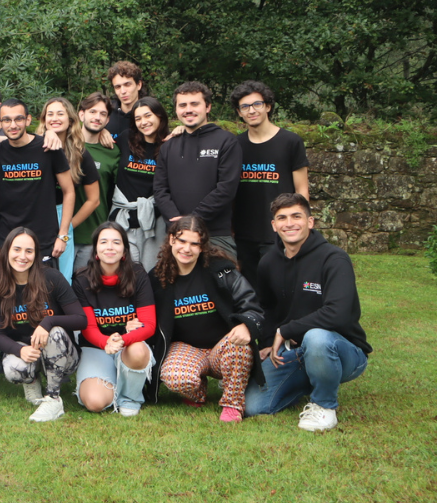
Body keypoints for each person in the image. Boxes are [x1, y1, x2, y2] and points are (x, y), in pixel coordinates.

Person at [245, 194, 371, 431]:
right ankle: (312, 379)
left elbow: (338, 313)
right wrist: (267, 340)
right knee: (254, 406)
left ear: (310, 222)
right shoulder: (268, 261)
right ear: (274, 225)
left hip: (342, 350)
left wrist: (287, 330)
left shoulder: (334, 259)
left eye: (296, 216)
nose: (289, 223)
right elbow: (267, 307)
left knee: (317, 337)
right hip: (294, 352)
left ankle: (324, 405)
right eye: (282, 218)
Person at [149, 216, 264, 422]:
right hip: (187, 347)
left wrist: (247, 325)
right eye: (182, 241)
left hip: (223, 347)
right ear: (172, 241)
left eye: (195, 243)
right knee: (176, 376)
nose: (187, 248)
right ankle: (197, 391)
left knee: (239, 344)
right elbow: (146, 315)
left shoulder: (221, 270)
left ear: (202, 247)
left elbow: (251, 304)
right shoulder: (158, 277)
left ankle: (232, 404)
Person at [0, 227, 85, 421]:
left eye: (29, 251)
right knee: (12, 368)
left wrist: (48, 322)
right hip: (30, 351)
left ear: (36, 254)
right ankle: (31, 381)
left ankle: (53, 398)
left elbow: (81, 319)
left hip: (63, 354)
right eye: (17, 249)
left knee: (55, 332)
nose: (22, 256)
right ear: (7, 251)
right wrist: (18, 350)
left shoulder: (52, 278)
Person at [230, 81, 310, 299]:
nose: (251, 110)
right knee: (249, 292)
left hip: (279, 230)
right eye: (245, 106)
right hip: (244, 233)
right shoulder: (235, 145)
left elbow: (301, 188)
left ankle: (283, 332)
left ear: (268, 106)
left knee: (280, 290)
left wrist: (301, 224)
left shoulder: (290, 142)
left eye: (257, 104)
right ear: (239, 112)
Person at [73, 222, 157, 417]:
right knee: (94, 403)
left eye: (116, 242)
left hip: (129, 345)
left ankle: (130, 397)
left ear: (124, 250)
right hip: (96, 347)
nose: (110, 247)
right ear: (96, 250)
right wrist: (106, 343)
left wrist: (124, 340)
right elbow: (88, 326)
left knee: (136, 350)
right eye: (104, 242)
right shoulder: (82, 280)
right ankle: (119, 382)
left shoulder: (138, 275)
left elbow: (149, 324)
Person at [153, 81, 241, 255]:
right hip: (177, 237)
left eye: (195, 104)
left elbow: (226, 189)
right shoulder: (168, 147)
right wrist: (179, 226)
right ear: (176, 109)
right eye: (182, 105)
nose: (188, 109)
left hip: (214, 237)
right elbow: (160, 189)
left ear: (207, 107)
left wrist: (193, 221)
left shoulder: (227, 142)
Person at [0, 100, 73, 260]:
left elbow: (69, 191)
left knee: (44, 285)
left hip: (44, 240)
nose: (13, 125)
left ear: (28, 120)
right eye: (7, 120)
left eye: (18, 119)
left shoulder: (48, 148)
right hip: (8, 239)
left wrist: (63, 236)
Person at [109, 96, 170, 270]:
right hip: (122, 216)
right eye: (138, 118)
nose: (143, 122)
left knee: (152, 270)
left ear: (160, 116)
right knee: (121, 270)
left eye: (148, 116)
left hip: (154, 218)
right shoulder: (125, 138)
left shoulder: (170, 144)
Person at [38, 98, 93, 279]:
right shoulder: (35, 147)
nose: (55, 118)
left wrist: (68, 227)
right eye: (50, 114)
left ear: (70, 120)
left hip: (64, 216)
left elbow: (94, 199)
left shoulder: (80, 153)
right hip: (35, 213)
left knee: (63, 276)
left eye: (60, 114)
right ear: (44, 119)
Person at [75, 92, 120, 270]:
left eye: (103, 114)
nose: (97, 118)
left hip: (93, 234)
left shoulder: (112, 151)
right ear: (81, 114)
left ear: (108, 120)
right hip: (61, 232)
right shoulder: (65, 144)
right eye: (92, 112)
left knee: (85, 287)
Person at [105, 61, 150, 141]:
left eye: (127, 85)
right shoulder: (106, 111)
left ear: (139, 85)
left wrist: (179, 130)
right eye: (118, 87)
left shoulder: (151, 112)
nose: (123, 91)